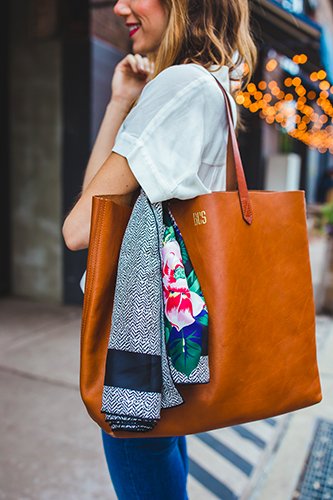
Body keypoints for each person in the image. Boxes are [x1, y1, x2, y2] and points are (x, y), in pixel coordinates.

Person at [62, 0, 257, 498]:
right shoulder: (210, 84)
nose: (119, 5)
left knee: (138, 447)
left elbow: (79, 229)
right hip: (175, 342)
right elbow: (97, 207)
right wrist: (120, 102)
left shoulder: (180, 86)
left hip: (144, 346)